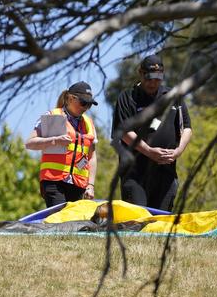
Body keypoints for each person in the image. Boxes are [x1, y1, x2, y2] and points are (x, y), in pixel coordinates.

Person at [111, 55, 193, 211]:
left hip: (165, 172)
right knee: (136, 219)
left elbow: (187, 128)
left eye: (157, 79)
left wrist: (178, 151)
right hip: (135, 173)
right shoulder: (127, 97)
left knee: (161, 221)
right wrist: (149, 151)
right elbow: (123, 132)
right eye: (149, 78)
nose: (153, 83)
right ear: (140, 73)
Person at [25, 81, 99, 207]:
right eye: (83, 103)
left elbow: (92, 157)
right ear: (71, 98)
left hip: (78, 184)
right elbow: (30, 143)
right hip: (54, 181)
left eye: (89, 105)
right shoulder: (54, 116)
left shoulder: (88, 123)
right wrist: (55, 140)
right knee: (60, 222)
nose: (86, 107)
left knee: (74, 224)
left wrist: (90, 185)